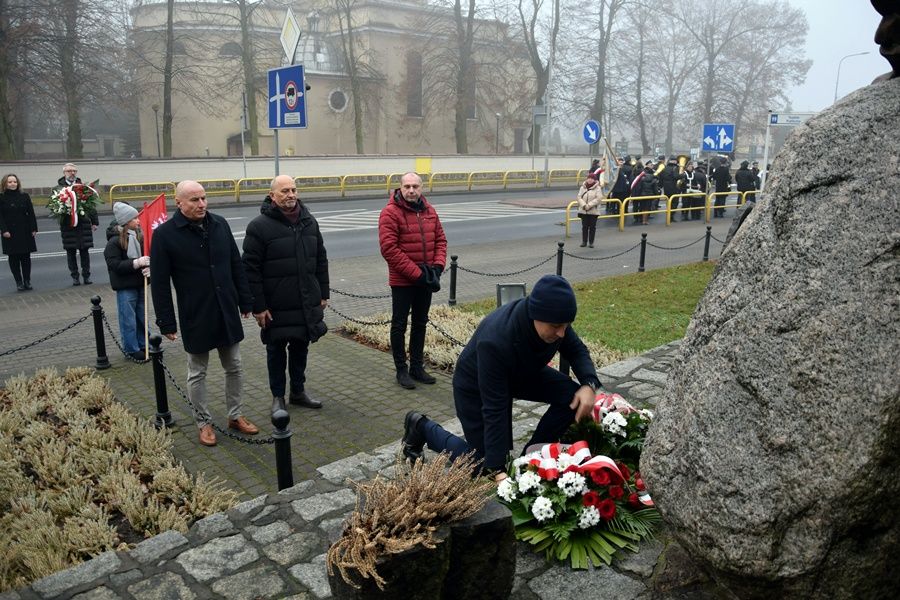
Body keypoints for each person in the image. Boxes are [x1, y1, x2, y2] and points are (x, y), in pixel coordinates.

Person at [400, 275, 603, 482]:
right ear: (535, 315)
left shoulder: (555, 319)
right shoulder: (496, 340)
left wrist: (589, 384)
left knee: (572, 396)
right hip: (475, 385)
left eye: (566, 325)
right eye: (555, 326)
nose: (562, 333)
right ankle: (421, 427)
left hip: (521, 373)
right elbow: (494, 406)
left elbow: (577, 350)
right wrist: (497, 469)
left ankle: (531, 458)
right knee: (481, 463)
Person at [150, 180, 258, 446]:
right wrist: (166, 321)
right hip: (195, 312)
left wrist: (246, 301)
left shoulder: (220, 224)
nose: (201, 204)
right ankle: (203, 422)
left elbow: (236, 264)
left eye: (203, 198)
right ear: (180, 203)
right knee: (197, 372)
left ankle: (235, 415)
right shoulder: (165, 235)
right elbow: (161, 283)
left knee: (234, 366)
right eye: (194, 200)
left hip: (225, 309)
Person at [242, 175, 330, 410]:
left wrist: (323, 292)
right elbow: (250, 270)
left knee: (301, 347)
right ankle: (278, 397)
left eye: (293, 190)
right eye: (284, 191)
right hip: (276, 304)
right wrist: (258, 306)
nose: (291, 195)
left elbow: (320, 258)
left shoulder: (309, 221)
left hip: (305, 300)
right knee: (276, 351)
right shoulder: (259, 227)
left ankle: (298, 392)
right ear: (272, 196)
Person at [378, 172, 447, 389]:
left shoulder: (429, 211)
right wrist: (417, 274)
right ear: (400, 187)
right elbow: (389, 249)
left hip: (425, 279)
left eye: (415, 186)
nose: (411, 190)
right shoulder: (390, 212)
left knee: (420, 323)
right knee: (399, 325)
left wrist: (437, 267)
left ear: (422, 187)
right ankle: (401, 370)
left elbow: (440, 241)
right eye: (407, 186)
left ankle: (417, 367)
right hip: (403, 281)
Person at [104, 203, 150, 360]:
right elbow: (114, 265)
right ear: (126, 221)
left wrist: (149, 268)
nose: (138, 220)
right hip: (125, 286)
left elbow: (148, 256)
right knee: (128, 319)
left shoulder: (139, 236)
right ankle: (131, 349)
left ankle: (144, 344)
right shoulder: (114, 242)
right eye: (135, 218)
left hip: (139, 283)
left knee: (142, 316)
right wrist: (136, 263)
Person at [55, 163, 98, 285]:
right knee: (71, 251)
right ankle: (75, 277)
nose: (72, 173)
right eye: (69, 171)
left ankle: (86, 276)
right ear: (64, 173)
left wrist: (94, 221)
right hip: (68, 225)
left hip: (83, 224)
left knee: (85, 251)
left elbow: (91, 204)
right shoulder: (58, 189)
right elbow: (55, 207)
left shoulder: (83, 187)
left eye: (74, 171)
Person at [0, 174, 38, 291]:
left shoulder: (24, 196)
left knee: (26, 257)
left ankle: (27, 281)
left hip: (25, 230)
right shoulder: (1, 197)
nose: (12, 184)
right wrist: (4, 230)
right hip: (9, 231)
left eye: (15, 182)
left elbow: (31, 213)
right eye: (10, 182)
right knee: (14, 258)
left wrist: (34, 228)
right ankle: (19, 282)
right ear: (5, 183)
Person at [576, 173, 602, 248]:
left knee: (592, 227)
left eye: (592, 178)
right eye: (589, 178)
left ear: (594, 180)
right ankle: (584, 241)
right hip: (584, 210)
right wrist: (584, 205)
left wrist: (589, 205)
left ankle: (591, 242)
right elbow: (579, 197)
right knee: (584, 227)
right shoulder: (582, 187)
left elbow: (599, 198)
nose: (590, 179)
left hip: (593, 211)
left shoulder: (598, 188)